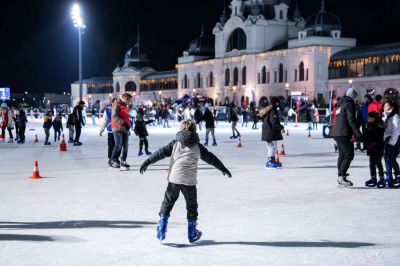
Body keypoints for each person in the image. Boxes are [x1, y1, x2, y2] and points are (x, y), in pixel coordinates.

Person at [139, 120, 232, 243]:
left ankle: (162, 228)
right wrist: (222, 168)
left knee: (168, 202)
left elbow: (160, 153)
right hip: (189, 180)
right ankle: (192, 232)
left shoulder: (175, 143)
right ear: (194, 130)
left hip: (175, 178)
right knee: (191, 206)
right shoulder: (198, 146)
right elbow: (211, 158)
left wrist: (147, 162)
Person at [332, 87, 362, 187]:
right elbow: (351, 120)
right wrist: (358, 133)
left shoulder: (341, 103)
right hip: (344, 133)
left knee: (342, 155)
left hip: (337, 132)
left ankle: (341, 176)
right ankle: (341, 177)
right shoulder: (349, 104)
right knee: (349, 155)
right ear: (353, 96)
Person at [110, 93, 133, 170]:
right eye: (129, 101)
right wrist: (123, 123)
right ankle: (112, 160)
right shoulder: (116, 104)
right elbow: (114, 116)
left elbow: (125, 115)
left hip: (125, 129)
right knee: (118, 145)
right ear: (125, 99)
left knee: (126, 146)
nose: (129, 102)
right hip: (118, 128)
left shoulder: (124, 105)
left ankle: (123, 160)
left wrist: (128, 125)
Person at [260, 97, 284, 169]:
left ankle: (272, 160)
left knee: (273, 146)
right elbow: (274, 122)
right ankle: (270, 162)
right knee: (271, 147)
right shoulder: (272, 111)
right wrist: (281, 127)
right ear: (276, 103)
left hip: (269, 132)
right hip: (270, 132)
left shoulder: (268, 110)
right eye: (278, 103)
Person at [364, 112, 386, 188]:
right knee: (372, 163)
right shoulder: (368, 125)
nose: (368, 118)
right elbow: (367, 136)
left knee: (378, 163)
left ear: (374, 118)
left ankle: (382, 178)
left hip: (378, 146)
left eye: (369, 117)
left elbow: (378, 136)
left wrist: (373, 142)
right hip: (371, 147)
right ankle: (373, 178)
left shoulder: (379, 124)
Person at [382, 101, 400, 188]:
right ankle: (390, 177)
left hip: (394, 140)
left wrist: (392, 142)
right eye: (384, 105)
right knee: (387, 159)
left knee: (390, 160)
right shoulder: (386, 116)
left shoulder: (395, 117)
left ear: (391, 107)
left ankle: (394, 177)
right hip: (387, 140)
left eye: (386, 106)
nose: (384, 107)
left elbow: (396, 131)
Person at [100, 98, 120, 167]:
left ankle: (116, 159)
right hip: (110, 131)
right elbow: (104, 120)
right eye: (116, 102)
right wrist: (102, 129)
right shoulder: (107, 110)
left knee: (118, 146)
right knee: (111, 146)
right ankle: (110, 159)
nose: (117, 103)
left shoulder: (120, 109)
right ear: (112, 103)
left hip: (118, 130)